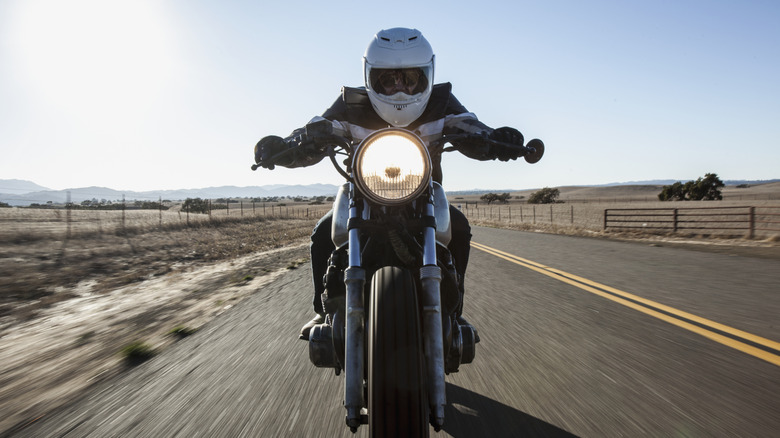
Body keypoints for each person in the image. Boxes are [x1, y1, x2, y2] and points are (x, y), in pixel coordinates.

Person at [254, 28, 528, 341]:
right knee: (322, 234)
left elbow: (470, 126)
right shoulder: (351, 104)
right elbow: (318, 130)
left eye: (409, 78)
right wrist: (288, 146)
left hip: (423, 196)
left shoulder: (441, 103)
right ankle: (322, 309)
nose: (399, 87)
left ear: (426, 76)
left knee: (460, 229)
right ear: (372, 78)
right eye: (388, 79)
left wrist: (495, 140)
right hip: (364, 198)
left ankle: (453, 312)